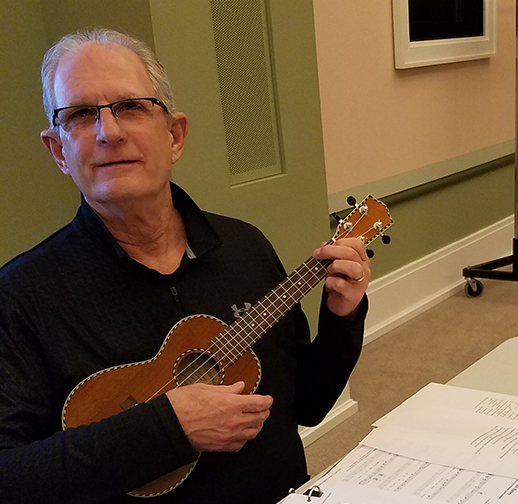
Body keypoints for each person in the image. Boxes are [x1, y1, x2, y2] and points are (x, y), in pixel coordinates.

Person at [0, 28, 369, 503]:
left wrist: (342, 318)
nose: (108, 131)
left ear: (174, 136)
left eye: (130, 106)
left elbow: (309, 404)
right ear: (59, 152)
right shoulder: (22, 295)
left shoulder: (245, 246)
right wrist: (167, 428)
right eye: (80, 114)